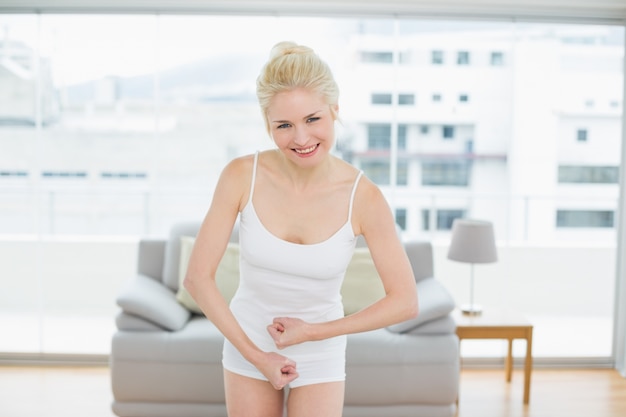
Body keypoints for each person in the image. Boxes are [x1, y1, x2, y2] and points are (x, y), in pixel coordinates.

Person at [183, 41, 418, 417]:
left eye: (313, 119)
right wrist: (258, 355)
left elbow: (405, 301)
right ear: (268, 125)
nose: (302, 138)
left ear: (334, 111)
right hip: (248, 344)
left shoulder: (365, 197)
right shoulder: (242, 176)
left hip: (320, 350)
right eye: (284, 126)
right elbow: (197, 279)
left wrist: (311, 332)